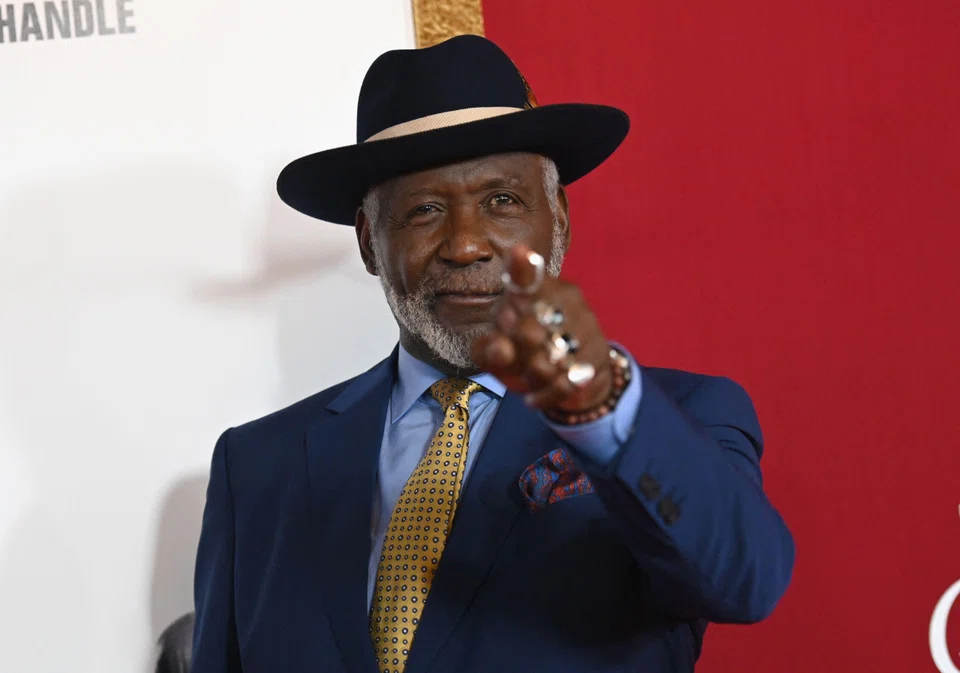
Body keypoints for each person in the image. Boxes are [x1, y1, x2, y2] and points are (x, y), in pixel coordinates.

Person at [191, 34, 795, 673]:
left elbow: (744, 581)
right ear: (370, 243)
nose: (466, 245)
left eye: (501, 202)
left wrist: (603, 412)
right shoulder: (256, 468)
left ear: (557, 215)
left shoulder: (680, 416)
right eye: (423, 211)